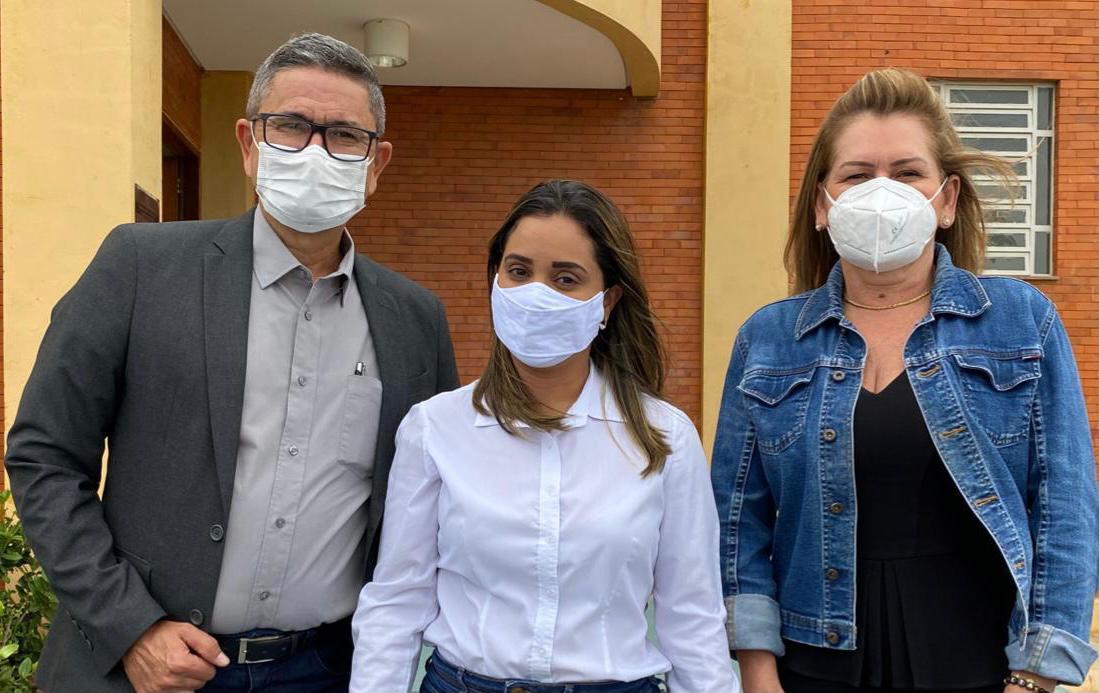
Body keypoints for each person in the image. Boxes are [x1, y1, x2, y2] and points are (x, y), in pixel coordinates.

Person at [5, 33, 459, 693]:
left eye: (344, 135)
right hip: (146, 668)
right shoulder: (140, 269)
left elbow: (427, 500)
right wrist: (130, 626)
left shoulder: (414, 320)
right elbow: (44, 455)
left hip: (329, 670)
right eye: (291, 126)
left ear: (376, 162)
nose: (315, 151)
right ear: (249, 144)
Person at [711, 68, 1098, 693]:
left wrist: (1035, 676)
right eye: (857, 175)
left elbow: (1065, 508)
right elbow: (736, 520)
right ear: (822, 204)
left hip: (982, 668)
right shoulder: (769, 338)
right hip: (810, 667)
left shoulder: (1022, 322)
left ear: (946, 200)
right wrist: (757, 671)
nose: (881, 192)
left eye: (907, 172)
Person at [349, 179, 739, 693]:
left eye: (565, 278)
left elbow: (692, 615)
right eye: (518, 271)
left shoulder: (665, 438)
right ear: (495, 281)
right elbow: (397, 600)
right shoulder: (435, 428)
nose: (536, 294)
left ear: (607, 301)